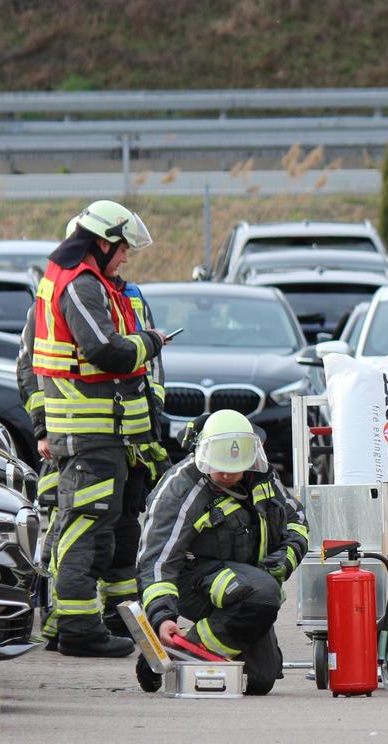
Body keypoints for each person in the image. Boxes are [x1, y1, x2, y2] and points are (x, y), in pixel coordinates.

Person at [20, 217, 172, 650]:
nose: (125, 258)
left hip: (115, 434)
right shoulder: (81, 285)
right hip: (89, 432)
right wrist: (151, 342)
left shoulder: (99, 288)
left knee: (108, 531)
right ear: (102, 242)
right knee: (83, 529)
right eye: (122, 248)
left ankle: (96, 622)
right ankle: (77, 629)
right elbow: (106, 350)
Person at [134, 410, 308, 696]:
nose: (227, 474)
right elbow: (156, 562)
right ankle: (182, 652)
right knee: (264, 595)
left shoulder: (263, 476)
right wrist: (162, 615)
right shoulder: (180, 489)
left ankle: (176, 652)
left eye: (235, 467)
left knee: (261, 679)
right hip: (193, 581)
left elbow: (297, 521)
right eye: (220, 467)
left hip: (247, 585)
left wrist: (286, 558)